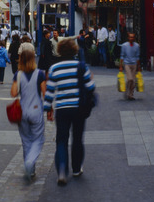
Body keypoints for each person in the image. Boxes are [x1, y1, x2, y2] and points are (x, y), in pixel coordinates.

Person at [43, 37, 95, 185]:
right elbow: (90, 87)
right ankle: (76, 169)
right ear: (74, 50)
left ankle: (62, 170)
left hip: (62, 108)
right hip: (78, 108)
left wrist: (48, 108)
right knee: (77, 139)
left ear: (60, 51)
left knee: (61, 140)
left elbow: (50, 91)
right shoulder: (81, 66)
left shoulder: (54, 68)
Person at [10, 43, 47, 181]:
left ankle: (30, 169)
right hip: (36, 110)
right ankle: (30, 162)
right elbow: (45, 93)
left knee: (26, 141)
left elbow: (13, 93)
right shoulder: (40, 74)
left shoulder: (18, 75)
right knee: (38, 139)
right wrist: (49, 109)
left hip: (22, 112)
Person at [119, 31, 141, 100]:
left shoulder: (137, 46)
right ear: (128, 38)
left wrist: (139, 66)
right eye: (130, 37)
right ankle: (127, 90)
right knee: (130, 79)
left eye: (133, 37)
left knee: (133, 81)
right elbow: (122, 56)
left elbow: (137, 57)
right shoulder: (124, 45)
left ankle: (130, 95)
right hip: (127, 64)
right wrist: (120, 66)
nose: (132, 38)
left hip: (134, 64)